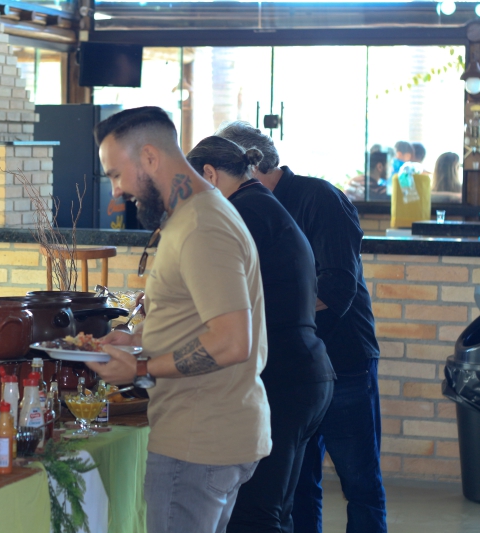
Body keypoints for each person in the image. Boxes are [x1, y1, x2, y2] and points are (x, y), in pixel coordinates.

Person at [87, 107, 271, 533]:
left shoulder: (202, 226)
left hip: (198, 441)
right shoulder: (191, 215)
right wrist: (135, 339)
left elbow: (231, 341)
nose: (116, 191)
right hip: (204, 434)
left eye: (116, 174)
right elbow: (191, 318)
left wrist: (140, 369)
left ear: (150, 157)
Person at [217, 121, 386, 533]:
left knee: (360, 485)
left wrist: (272, 312)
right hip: (291, 369)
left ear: (247, 163)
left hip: (343, 359)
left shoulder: (319, 198)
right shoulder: (247, 209)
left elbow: (337, 287)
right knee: (298, 487)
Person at [186, 136, 335, 533]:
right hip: (304, 372)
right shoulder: (260, 204)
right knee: (275, 512)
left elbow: (216, 302)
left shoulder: (241, 214)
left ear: (210, 174)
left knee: (254, 515)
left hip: (284, 379)